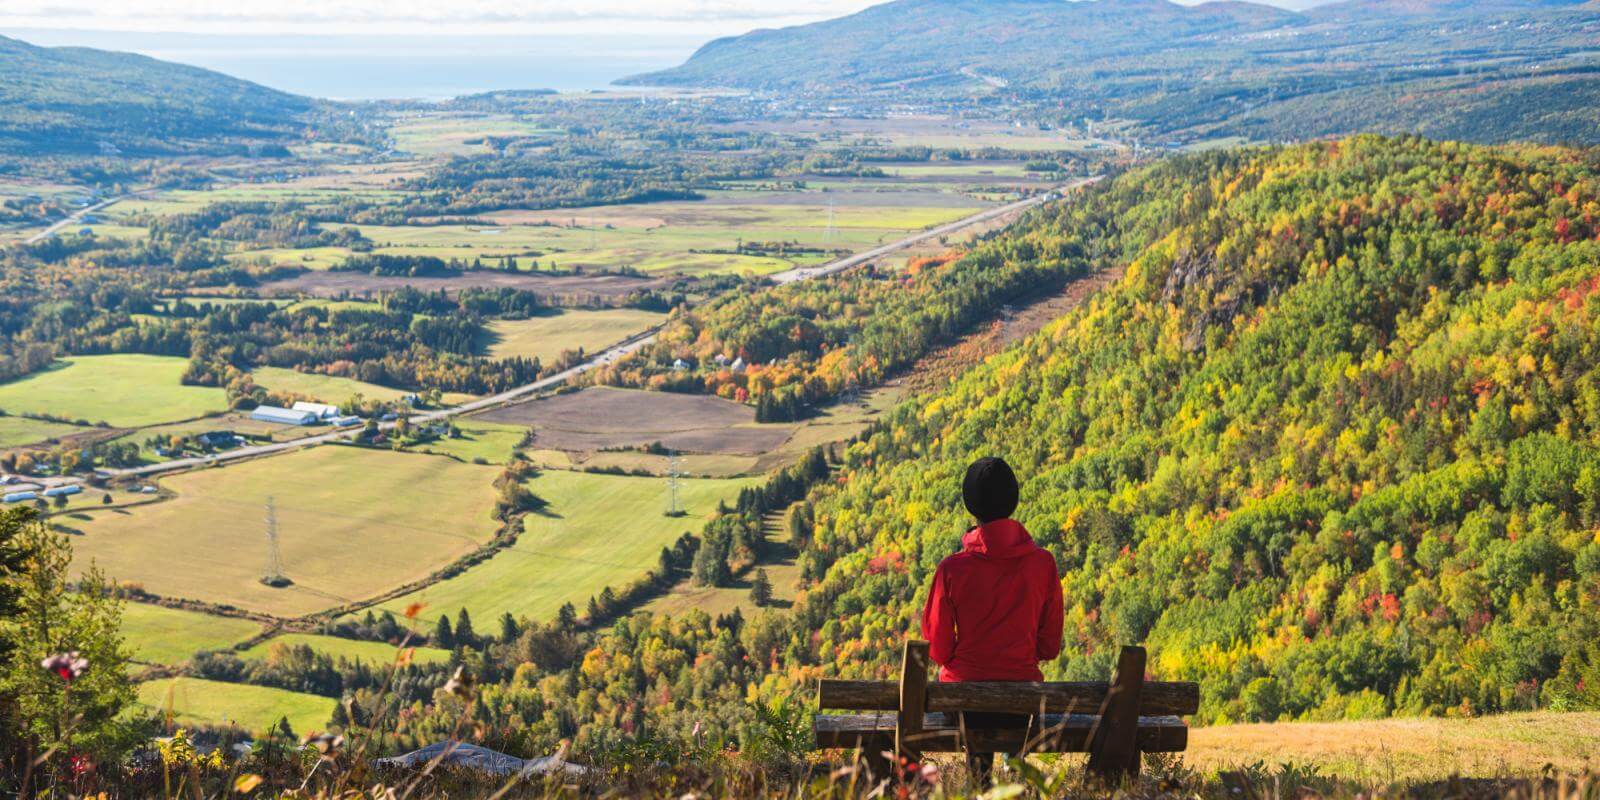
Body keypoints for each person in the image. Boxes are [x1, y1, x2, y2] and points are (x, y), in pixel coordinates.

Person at [920, 456, 1064, 784]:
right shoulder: (1043, 565)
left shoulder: (952, 570)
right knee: (1012, 731)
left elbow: (938, 650)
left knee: (974, 731)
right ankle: (1015, 782)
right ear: (1013, 501)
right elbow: (1049, 646)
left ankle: (980, 784)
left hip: (963, 700)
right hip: (1021, 697)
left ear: (971, 505)